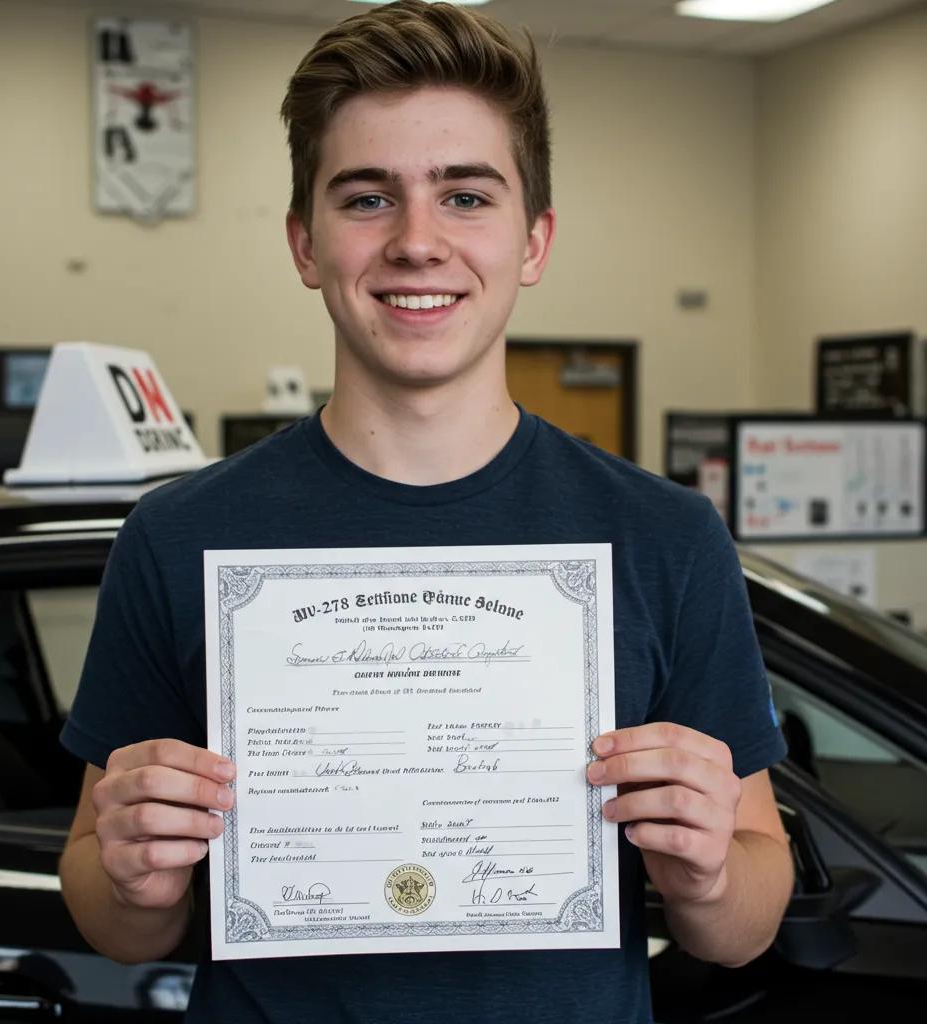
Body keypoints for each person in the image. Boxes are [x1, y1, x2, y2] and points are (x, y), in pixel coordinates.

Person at [58, 2, 793, 1021]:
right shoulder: (176, 537)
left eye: (465, 195)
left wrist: (709, 872)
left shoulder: (665, 536)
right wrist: (134, 873)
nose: (416, 241)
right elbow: (110, 914)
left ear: (532, 240)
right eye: (365, 197)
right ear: (303, 242)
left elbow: (747, 922)